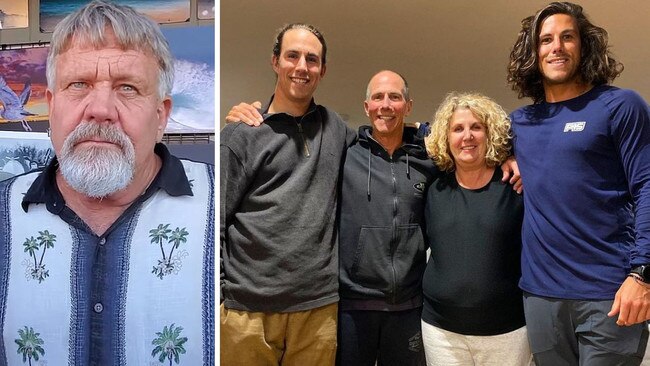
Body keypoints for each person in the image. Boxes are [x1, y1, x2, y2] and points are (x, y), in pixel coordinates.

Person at [0, 1, 214, 365]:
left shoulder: (218, 205)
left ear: (161, 114)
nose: (100, 108)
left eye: (127, 88)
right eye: (79, 84)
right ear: (51, 106)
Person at [507, 2, 650, 365]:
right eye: (546, 40)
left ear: (583, 46)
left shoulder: (620, 106)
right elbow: (456, 139)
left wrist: (643, 274)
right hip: (541, 296)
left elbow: (648, 186)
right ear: (533, 52)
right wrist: (507, 156)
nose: (556, 46)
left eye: (567, 37)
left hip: (609, 294)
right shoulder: (521, 123)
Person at [220, 23, 357, 365]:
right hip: (247, 314)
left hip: (317, 311)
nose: (302, 67)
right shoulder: (242, 135)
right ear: (275, 62)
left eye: (312, 60)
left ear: (322, 70)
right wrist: (220, 296)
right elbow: (210, 223)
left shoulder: (335, 129)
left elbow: (386, 141)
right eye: (292, 56)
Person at [421, 92, 531, 366]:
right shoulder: (434, 188)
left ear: (490, 134)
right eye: (457, 128)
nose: (467, 136)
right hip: (441, 331)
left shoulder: (516, 186)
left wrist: (515, 157)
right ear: (446, 138)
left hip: (507, 331)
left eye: (476, 127)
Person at [336, 70, 434, 366]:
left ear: (408, 105)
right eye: (378, 97)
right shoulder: (346, 153)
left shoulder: (428, 159)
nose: (386, 105)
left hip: (408, 304)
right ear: (367, 107)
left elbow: (469, 139)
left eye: (395, 97)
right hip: (353, 305)